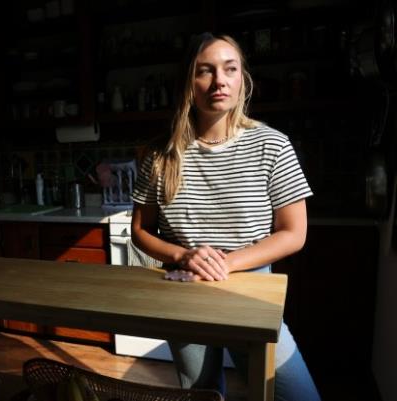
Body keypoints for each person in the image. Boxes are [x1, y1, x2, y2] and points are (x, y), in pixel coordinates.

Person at [130, 32, 321, 401]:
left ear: (242, 79)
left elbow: (294, 233)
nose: (219, 80)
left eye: (229, 69)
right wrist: (182, 256)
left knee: (297, 395)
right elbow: (141, 230)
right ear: (189, 81)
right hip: (183, 286)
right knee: (203, 394)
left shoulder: (272, 145)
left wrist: (226, 264)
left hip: (250, 289)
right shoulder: (160, 155)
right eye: (206, 71)